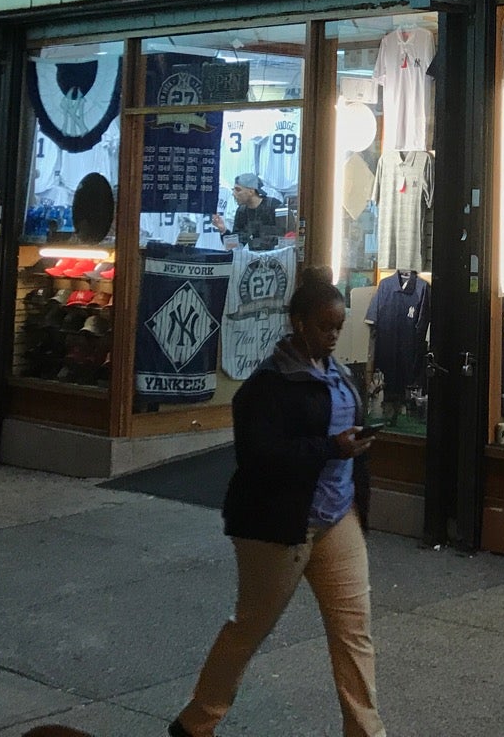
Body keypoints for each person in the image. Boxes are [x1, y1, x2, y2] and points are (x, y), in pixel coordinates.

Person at [171, 276, 383, 737]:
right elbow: (259, 456)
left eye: (338, 327)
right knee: (249, 628)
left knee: (354, 634)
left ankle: (366, 732)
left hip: (337, 517)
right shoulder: (267, 385)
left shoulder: (341, 374)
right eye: (325, 327)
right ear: (299, 323)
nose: (332, 336)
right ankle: (196, 721)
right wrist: (330, 448)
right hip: (281, 523)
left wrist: (356, 472)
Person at [211, 172, 282, 250]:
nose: (233, 194)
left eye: (238, 190)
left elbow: (287, 238)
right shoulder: (242, 211)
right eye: (233, 189)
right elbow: (234, 246)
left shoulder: (274, 206)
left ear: (251, 191)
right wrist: (223, 230)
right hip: (251, 259)